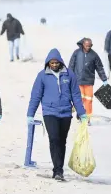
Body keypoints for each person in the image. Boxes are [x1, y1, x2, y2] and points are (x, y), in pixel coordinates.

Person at [27, 48, 87, 181]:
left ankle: (59, 169)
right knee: (54, 139)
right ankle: (57, 170)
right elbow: (35, 96)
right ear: (48, 63)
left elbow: (76, 95)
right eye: (52, 63)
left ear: (60, 62)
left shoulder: (69, 75)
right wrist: (30, 114)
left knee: (62, 141)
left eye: (56, 63)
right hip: (49, 112)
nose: (54, 65)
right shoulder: (42, 76)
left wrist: (82, 113)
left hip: (66, 113)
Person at [68, 38, 108, 123]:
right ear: (83, 44)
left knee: (89, 100)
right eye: (87, 46)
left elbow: (99, 68)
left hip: (89, 82)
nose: (88, 47)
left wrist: (104, 79)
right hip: (78, 80)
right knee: (79, 99)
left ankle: (88, 119)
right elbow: (71, 65)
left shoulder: (94, 55)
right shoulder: (76, 53)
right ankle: (80, 115)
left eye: (90, 46)